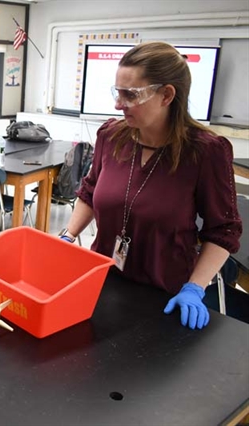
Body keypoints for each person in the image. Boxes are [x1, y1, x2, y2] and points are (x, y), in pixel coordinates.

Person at [58, 41, 242, 330]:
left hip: (164, 295)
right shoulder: (111, 136)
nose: (118, 104)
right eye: (117, 92)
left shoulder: (206, 152)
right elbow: (90, 191)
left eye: (130, 95)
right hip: (101, 283)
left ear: (167, 95)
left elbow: (224, 230)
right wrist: (67, 237)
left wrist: (195, 287)